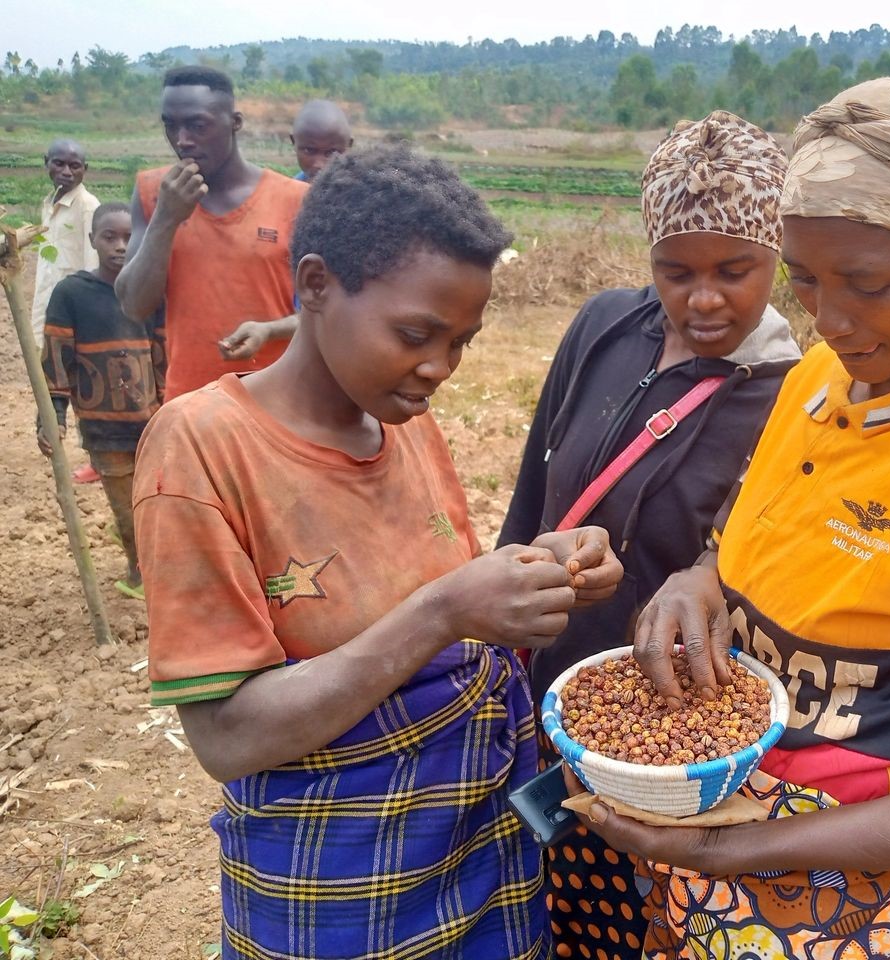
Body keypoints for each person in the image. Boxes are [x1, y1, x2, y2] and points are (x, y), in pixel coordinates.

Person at [570, 78, 890, 960]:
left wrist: (730, 852)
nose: (833, 317)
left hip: (875, 895)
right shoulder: (816, 379)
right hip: (734, 823)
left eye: (867, 283)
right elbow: (742, 527)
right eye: (807, 280)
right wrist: (700, 576)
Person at [134, 145, 623, 960]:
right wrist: (443, 611)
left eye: (463, 340)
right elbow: (225, 737)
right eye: (416, 334)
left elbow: (442, 601)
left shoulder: (401, 418)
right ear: (317, 285)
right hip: (340, 888)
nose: (440, 368)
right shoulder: (204, 449)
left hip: (484, 856)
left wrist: (543, 571)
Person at [500, 111, 799, 960]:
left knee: (654, 917)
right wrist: (507, 594)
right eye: (676, 272)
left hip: (663, 725)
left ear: (775, 254)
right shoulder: (604, 328)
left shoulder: (792, 392)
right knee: (549, 900)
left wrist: (706, 565)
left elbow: (764, 562)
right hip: (542, 680)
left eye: (734, 271)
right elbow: (535, 487)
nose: (704, 299)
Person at [115, 66, 307, 401]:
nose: (182, 140)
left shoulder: (293, 200)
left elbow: (329, 313)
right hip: (191, 403)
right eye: (170, 125)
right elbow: (134, 304)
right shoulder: (152, 193)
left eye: (197, 125)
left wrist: (270, 330)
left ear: (235, 122)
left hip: (279, 403)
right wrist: (165, 218)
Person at [39, 202, 162, 599]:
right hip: (103, 426)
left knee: (152, 499)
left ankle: (144, 551)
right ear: (92, 239)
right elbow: (57, 358)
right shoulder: (72, 293)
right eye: (110, 237)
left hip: (152, 421)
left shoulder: (148, 293)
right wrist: (52, 414)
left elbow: (162, 355)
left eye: (129, 238)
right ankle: (138, 570)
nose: (120, 246)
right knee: (126, 505)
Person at [31, 139, 100, 343]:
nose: (67, 172)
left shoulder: (88, 207)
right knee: (40, 362)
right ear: (47, 163)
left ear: (84, 169)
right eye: (59, 164)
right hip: (44, 303)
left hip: (72, 310)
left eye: (74, 166)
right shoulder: (49, 203)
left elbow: (93, 266)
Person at [291, 100, 353, 181]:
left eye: (332, 152)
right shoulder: (289, 191)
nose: (319, 165)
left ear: (349, 145)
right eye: (309, 150)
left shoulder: (365, 190)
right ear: (293, 141)